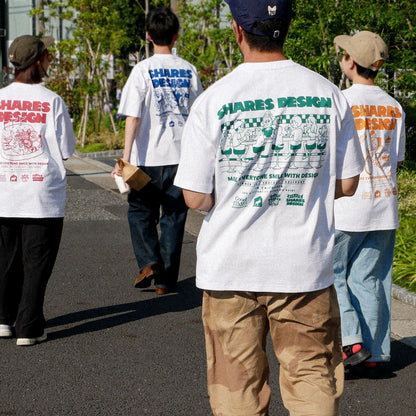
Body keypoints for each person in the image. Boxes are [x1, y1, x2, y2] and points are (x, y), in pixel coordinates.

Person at [174, 0, 364, 414]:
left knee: (236, 386)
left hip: (229, 267)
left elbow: (195, 197)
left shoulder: (214, 100)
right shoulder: (327, 93)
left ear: (239, 32)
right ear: (287, 28)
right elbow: (348, 182)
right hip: (304, 266)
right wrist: (304, 191)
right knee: (312, 375)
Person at [112, 7, 202, 295]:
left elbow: (133, 117)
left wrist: (125, 158)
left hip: (147, 159)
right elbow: (198, 113)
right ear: (176, 36)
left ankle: (150, 261)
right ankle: (165, 281)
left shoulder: (142, 70)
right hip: (181, 158)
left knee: (140, 211)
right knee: (174, 217)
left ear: (148, 36)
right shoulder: (189, 69)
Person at [333, 31, 406, 372]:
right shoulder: (394, 106)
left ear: (351, 61)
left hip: (347, 205)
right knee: (370, 279)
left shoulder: (340, 101)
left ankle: (351, 341)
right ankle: (375, 354)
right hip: (384, 204)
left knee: (330, 273)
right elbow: (398, 158)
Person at [0, 35, 76, 346]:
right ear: (40, 61)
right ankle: (29, 327)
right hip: (41, 195)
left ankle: (4, 319)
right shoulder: (52, 101)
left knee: (5, 259)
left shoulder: (1, 99)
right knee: (36, 262)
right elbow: (67, 149)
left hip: (4, 191)